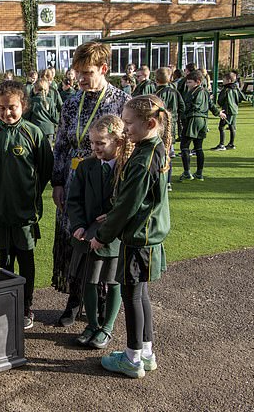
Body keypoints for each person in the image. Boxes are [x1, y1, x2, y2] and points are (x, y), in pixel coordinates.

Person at [91, 94, 172, 379]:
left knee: (132, 296)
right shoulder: (155, 147)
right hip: (149, 237)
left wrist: (101, 235)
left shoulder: (142, 158)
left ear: (150, 123)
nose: (124, 129)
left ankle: (132, 357)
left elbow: (128, 205)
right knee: (141, 295)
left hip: (138, 239)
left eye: (128, 123)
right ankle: (146, 353)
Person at [51, 41, 130, 327]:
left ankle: (101, 309)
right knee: (74, 240)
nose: (81, 78)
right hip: (74, 183)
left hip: (106, 183)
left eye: (87, 72)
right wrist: (57, 182)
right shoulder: (72, 101)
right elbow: (60, 144)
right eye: (77, 72)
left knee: (100, 241)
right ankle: (74, 301)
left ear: (104, 69)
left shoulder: (121, 101)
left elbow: (128, 146)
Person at [0, 80, 53, 330]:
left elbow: (45, 169)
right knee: (4, 259)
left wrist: (28, 194)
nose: (7, 113)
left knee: (25, 257)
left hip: (24, 211)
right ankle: (5, 303)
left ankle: (25, 306)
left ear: (23, 105)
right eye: (1, 108)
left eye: (12, 107)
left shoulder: (34, 133)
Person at [67, 115, 132, 350]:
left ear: (118, 141)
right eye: (92, 143)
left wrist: (114, 214)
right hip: (88, 233)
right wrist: (78, 225)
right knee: (89, 281)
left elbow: (130, 201)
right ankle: (93, 324)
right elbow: (73, 200)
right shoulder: (86, 166)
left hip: (115, 234)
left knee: (113, 281)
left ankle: (107, 327)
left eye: (101, 143)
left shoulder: (127, 168)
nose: (95, 148)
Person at [179, 70, 225, 182]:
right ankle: (199, 173)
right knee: (198, 147)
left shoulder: (196, 92)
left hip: (194, 120)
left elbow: (194, 105)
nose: (187, 84)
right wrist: (218, 113)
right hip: (203, 121)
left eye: (189, 82)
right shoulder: (204, 91)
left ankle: (187, 172)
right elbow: (210, 104)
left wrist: (183, 113)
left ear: (198, 82)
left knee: (184, 146)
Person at [154, 67, 185, 191]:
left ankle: (160, 180)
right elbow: (182, 107)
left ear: (156, 79)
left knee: (158, 153)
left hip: (159, 127)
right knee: (168, 154)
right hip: (171, 127)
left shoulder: (155, 94)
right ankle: (168, 182)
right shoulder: (175, 92)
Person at [211, 72, 248, 151]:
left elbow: (220, 100)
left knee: (221, 127)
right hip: (234, 110)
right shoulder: (236, 88)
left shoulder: (225, 90)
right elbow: (243, 97)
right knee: (232, 127)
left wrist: (218, 103)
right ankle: (231, 144)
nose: (222, 81)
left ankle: (221, 144)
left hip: (227, 110)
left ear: (229, 80)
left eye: (224, 80)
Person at [24, 79, 60, 144]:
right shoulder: (50, 101)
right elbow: (55, 118)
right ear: (47, 89)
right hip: (49, 131)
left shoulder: (31, 101)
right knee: (48, 152)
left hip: (36, 130)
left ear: (34, 89)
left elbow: (26, 117)